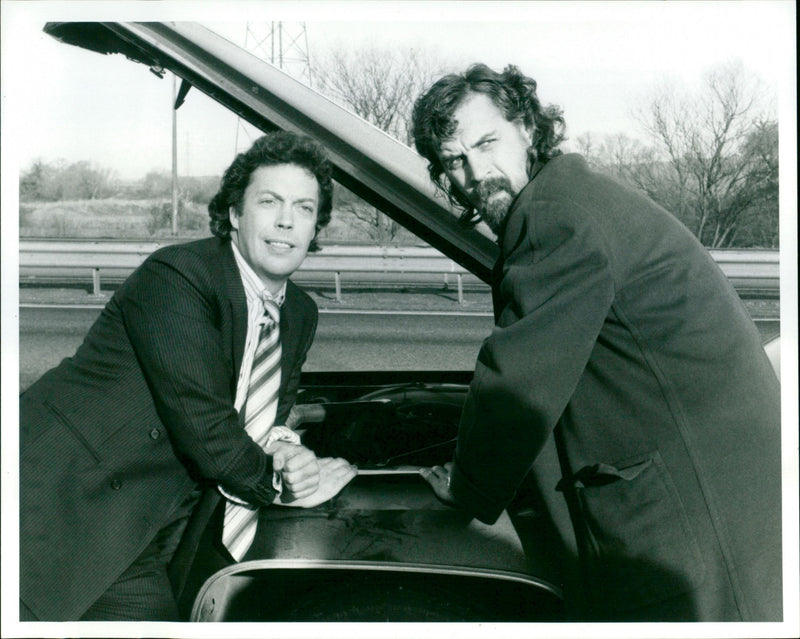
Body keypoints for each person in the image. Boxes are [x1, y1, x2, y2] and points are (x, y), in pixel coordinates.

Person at [413, 64, 781, 621]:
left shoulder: (553, 216)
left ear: (528, 130)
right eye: (454, 161)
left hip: (692, 514)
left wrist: (469, 486)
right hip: (716, 490)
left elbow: (518, 382)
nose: (475, 172)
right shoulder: (569, 191)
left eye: (487, 143)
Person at [19, 131, 356, 621]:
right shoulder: (180, 275)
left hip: (143, 525)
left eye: (305, 208)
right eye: (270, 202)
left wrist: (288, 452)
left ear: (315, 226)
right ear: (235, 215)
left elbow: (267, 416)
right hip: (57, 502)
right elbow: (207, 427)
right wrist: (282, 485)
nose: (287, 219)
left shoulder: (300, 312)